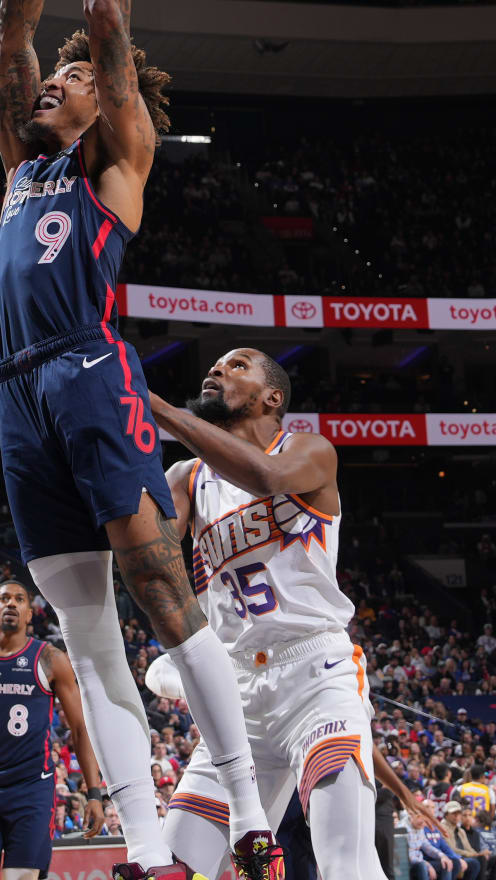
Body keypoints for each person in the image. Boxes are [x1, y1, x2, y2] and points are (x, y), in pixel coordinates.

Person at [0, 0, 271, 880]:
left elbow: (104, 23)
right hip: (16, 394)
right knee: (88, 636)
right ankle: (145, 845)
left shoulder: (118, 162)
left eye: (70, 78)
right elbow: (13, 30)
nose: (50, 78)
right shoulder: (25, 166)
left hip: (88, 370)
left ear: (103, 100)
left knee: (159, 592)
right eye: (48, 80)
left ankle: (246, 801)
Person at [145, 349, 375, 880]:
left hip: (315, 677)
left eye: (238, 364)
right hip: (234, 688)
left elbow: (266, 478)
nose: (217, 369)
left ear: (272, 397)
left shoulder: (307, 450)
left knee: (348, 867)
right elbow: (147, 553)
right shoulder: (187, 476)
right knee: (176, 865)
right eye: (216, 364)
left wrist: (155, 408)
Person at [0, 581, 106, 880]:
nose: (11, 603)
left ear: (29, 614)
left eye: (19, 599)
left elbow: (79, 728)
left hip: (31, 790)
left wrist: (93, 794)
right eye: (4, 599)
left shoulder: (51, 659)